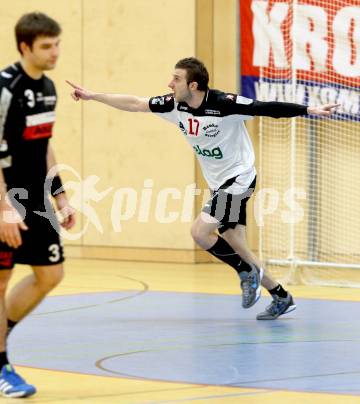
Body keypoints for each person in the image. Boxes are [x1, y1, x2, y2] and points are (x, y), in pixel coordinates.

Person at [66, 57, 337, 320]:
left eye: (176, 79)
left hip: (239, 179)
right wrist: (93, 96)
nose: (170, 83)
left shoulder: (225, 104)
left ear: (193, 85)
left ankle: (245, 272)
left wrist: (307, 110)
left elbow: (264, 107)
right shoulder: (174, 106)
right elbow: (135, 103)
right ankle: (280, 295)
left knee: (200, 231)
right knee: (235, 242)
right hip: (219, 183)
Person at [0, 12, 75, 398]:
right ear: (25, 47)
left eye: (57, 44)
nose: (55, 52)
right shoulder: (1, 88)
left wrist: (59, 194)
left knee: (51, 274)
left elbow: (43, 143)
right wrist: (3, 207)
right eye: (47, 46)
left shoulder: (47, 87)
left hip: (35, 196)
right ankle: (0, 368)